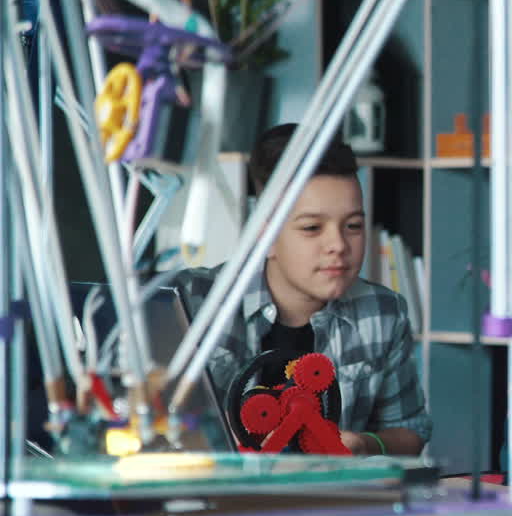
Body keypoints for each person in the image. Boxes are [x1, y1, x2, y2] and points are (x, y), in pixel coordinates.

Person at [177, 124, 429, 456]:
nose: (338, 244)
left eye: (353, 226)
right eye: (312, 228)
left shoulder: (383, 312)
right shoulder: (190, 300)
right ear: (265, 236)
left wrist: (364, 444)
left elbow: (410, 432)